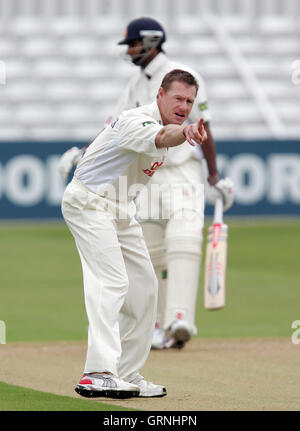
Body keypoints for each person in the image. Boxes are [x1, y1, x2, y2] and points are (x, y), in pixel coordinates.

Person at [59, 17, 234, 350]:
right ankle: (156, 326)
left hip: (182, 169)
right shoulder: (136, 83)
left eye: (133, 44)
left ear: (152, 42)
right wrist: (82, 153)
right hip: (147, 173)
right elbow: (114, 126)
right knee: (150, 249)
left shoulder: (182, 78)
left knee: (182, 236)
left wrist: (213, 175)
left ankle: (180, 318)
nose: (130, 50)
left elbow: (203, 125)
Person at [62, 69, 207, 399]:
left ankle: (126, 372)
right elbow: (162, 136)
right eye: (178, 98)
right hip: (89, 201)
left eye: (190, 101)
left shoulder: (163, 124)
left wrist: (181, 130)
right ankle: (96, 373)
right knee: (112, 281)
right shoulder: (136, 120)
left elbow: (166, 133)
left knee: (145, 287)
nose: (185, 105)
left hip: (119, 208)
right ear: (159, 94)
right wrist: (185, 132)